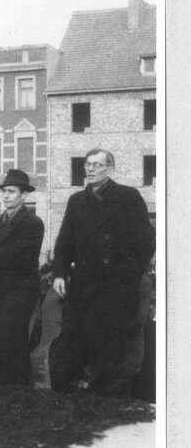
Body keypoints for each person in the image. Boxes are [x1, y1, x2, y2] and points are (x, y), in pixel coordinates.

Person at [49, 149, 156, 398]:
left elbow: (146, 242)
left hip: (117, 288)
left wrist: (128, 276)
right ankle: (81, 402)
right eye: (87, 164)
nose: (90, 169)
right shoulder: (76, 201)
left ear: (111, 168)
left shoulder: (128, 197)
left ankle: (110, 405)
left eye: (97, 165)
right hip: (84, 285)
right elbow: (65, 243)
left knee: (111, 350)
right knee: (73, 344)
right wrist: (59, 274)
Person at [0, 169, 44, 385]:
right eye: (4, 191)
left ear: (24, 195)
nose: (6, 196)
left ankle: (17, 392)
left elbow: (11, 256)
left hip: (19, 293)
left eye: (11, 192)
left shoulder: (32, 223)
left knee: (12, 345)